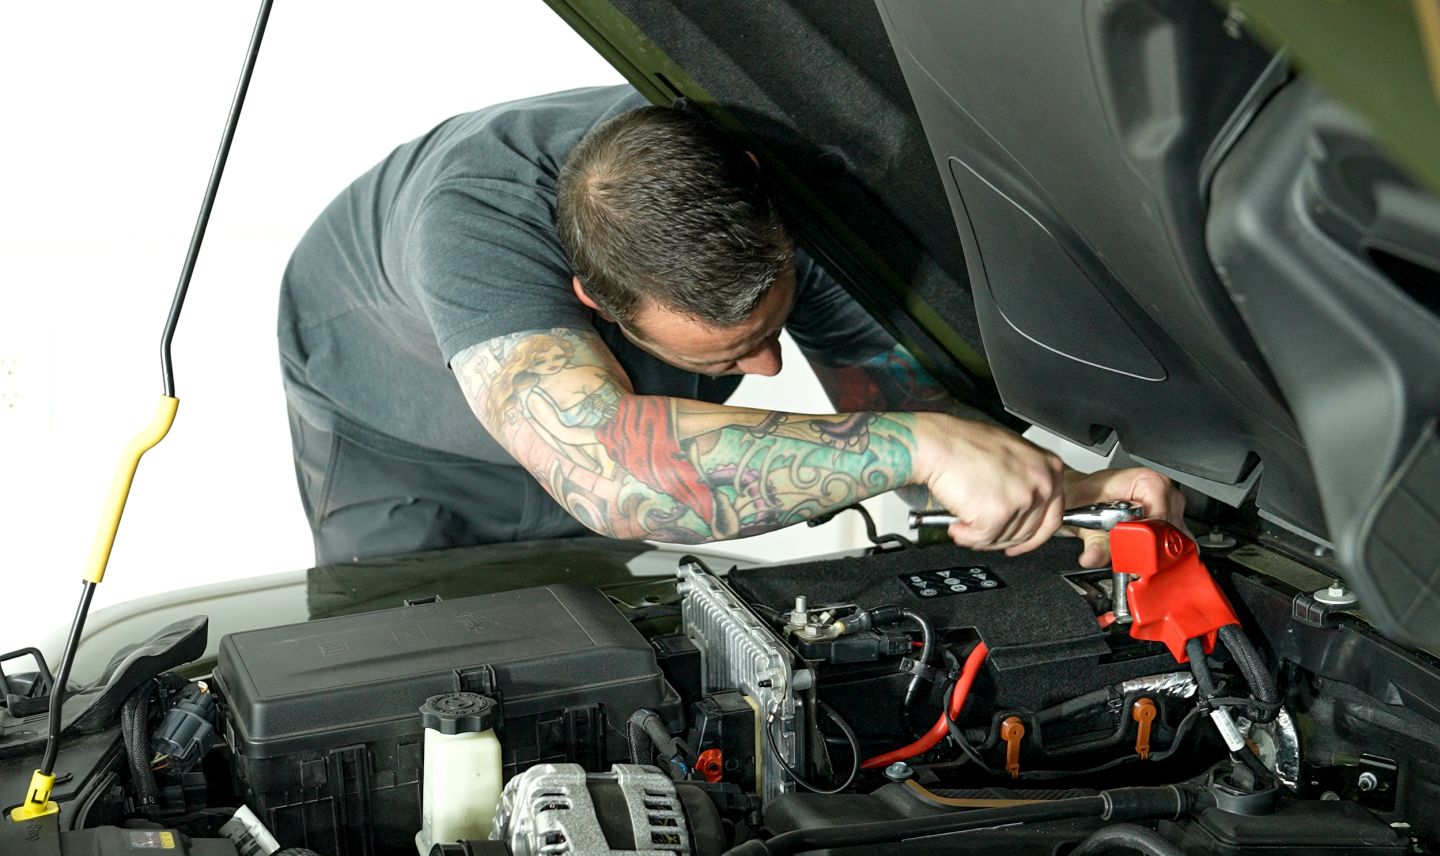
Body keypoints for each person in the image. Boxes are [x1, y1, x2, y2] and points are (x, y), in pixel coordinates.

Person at [278, 86, 1179, 566]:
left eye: (772, 322)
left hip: (613, 422)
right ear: (593, 302)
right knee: (394, 686)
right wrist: (927, 447)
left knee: (601, 657)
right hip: (399, 434)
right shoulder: (472, 227)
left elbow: (908, 409)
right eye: (725, 351)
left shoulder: (765, 205)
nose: (765, 363)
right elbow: (614, 482)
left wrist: (1072, 495)